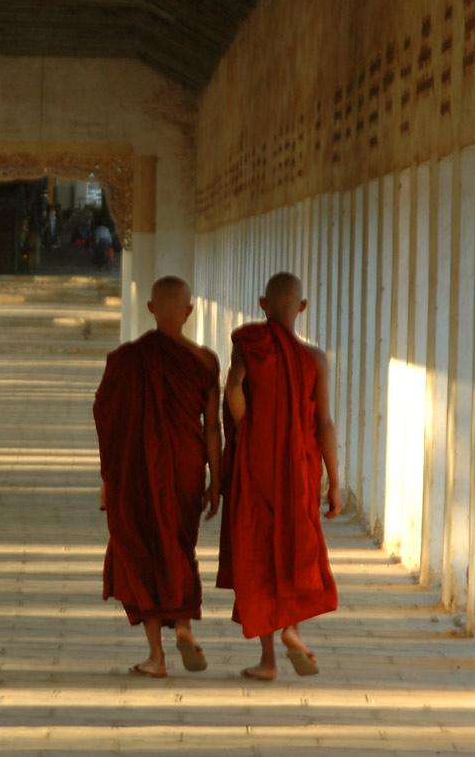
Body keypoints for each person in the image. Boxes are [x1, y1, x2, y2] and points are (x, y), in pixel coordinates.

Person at [217, 272, 343, 681]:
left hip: (257, 467)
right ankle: (292, 629)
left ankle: (269, 660)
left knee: (258, 553)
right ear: (301, 307)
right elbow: (324, 423)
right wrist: (335, 482)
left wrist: (246, 426)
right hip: (300, 469)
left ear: (263, 304)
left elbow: (233, 388)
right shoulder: (315, 359)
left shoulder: (249, 345)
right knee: (296, 548)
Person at [94, 276, 222, 678]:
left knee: (141, 551)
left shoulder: (127, 359)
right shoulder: (205, 361)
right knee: (178, 546)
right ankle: (182, 626)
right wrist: (216, 479)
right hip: (186, 468)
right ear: (189, 311)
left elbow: (108, 422)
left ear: (150, 309)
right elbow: (213, 427)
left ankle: (156, 656)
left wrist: (108, 481)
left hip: (135, 472)